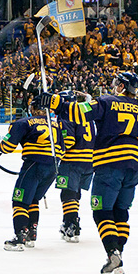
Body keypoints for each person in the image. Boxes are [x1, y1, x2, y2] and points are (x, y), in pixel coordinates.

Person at [42, 71, 138, 274]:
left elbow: (79, 112)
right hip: (134, 165)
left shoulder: (107, 102)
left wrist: (54, 101)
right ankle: (117, 256)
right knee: (121, 211)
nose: (114, 86)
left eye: (117, 83)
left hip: (109, 164)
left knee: (102, 211)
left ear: (122, 86)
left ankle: (113, 254)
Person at [0, 95, 63, 251]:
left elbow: (8, 146)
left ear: (33, 108)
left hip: (34, 164)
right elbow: (63, 149)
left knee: (20, 201)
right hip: (53, 167)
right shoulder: (56, 125)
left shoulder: (24, 122)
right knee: (33, 199)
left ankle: (20, 237)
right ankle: (31, 234)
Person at [56, 90, 95, 243]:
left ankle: (72, 225)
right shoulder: (85, 113)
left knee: (68, 194)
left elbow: (69, 141)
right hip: (89, 161)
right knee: (75, 193)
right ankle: (68, 223)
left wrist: (56, 150)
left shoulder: (66, 114)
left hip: (73, 161)